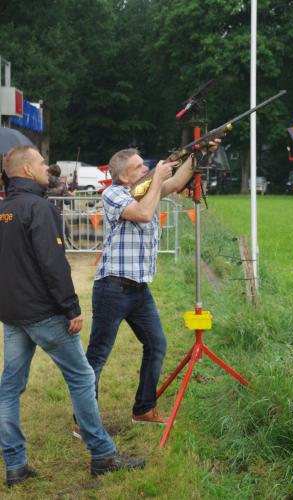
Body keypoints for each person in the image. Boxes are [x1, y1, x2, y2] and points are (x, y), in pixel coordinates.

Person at [0, 146, 144, 487]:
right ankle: (103, 454)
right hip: (44, 314)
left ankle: (15, 465)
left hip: (13, 314)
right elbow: (53, 265)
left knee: (9, 388)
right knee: (81, 377)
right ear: (25, 170)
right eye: (40, 163)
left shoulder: (3, 209)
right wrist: (71, 307)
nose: (46, 168)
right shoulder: (40, 208)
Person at [75, 142, 219, 435]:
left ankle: (144, 409)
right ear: (125, 177)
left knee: (156, 345)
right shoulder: (113, 194)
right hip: (113, 288)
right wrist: (156, 180)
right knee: (98, 354)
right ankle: (84, 422)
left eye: (146, 165)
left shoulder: (145, 189)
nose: (147, 168)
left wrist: (199, 152)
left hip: (139, 290)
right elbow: (142, 213)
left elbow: (178, 181)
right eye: (140, 167)